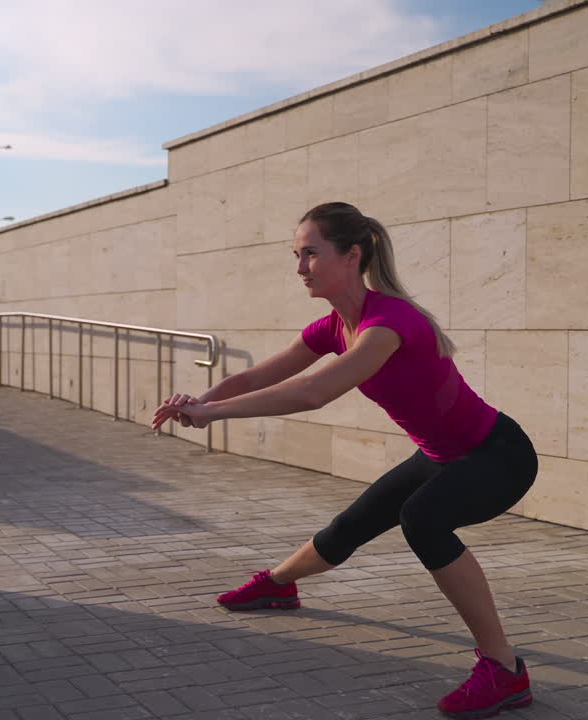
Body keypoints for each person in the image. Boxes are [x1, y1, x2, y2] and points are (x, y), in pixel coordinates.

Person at [150, 202, 539, 718]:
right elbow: (253, 377)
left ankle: (504, 669)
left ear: (351, 255)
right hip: (441, 455)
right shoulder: (334, 327)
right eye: (296, 255)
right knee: (352, 524)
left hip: (498, 455)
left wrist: (212, 414)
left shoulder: (387, 323)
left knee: (422, 520)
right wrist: (198, 401)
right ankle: (279, 585)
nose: (299, 268)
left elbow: (313, 392)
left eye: (310, 253)